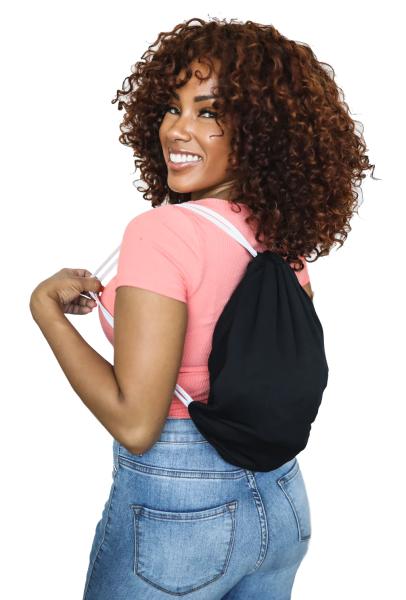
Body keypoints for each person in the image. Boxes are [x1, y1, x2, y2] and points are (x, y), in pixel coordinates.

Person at [30, 16, 375, 600]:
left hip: (179, 508)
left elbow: (137, 422)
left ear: (260, 133)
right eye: (172, 107)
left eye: (209, 112)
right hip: (280, 501)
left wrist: (45, 309)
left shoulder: (161, 233)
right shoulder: (278, 239)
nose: (177, 129)